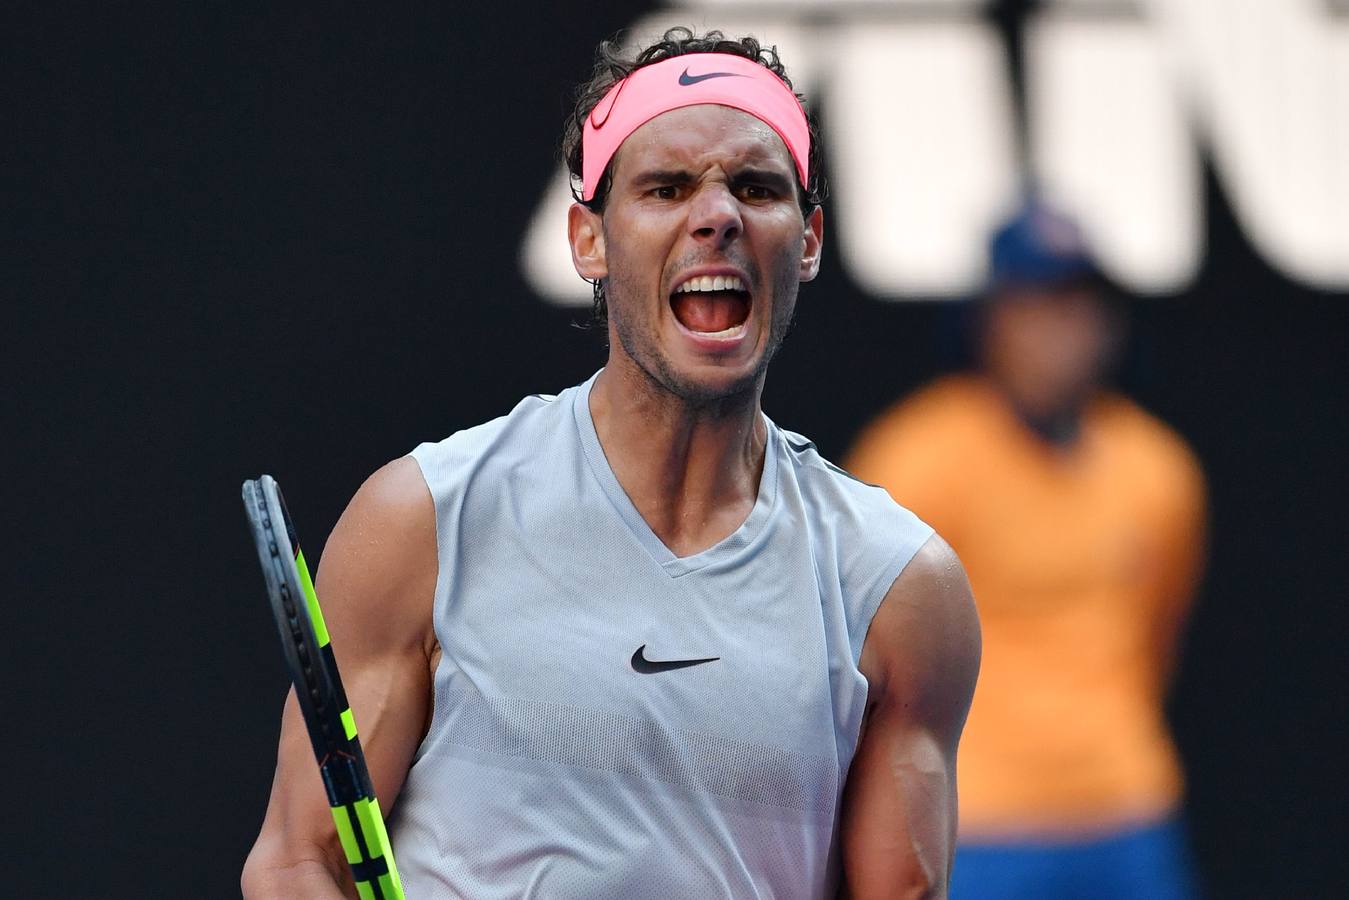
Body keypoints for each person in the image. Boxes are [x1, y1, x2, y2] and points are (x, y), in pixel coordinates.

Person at [241, 27, 980, 900]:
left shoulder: (899, 589)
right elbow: (299, 860)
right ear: (588, 240)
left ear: (808, 239)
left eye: (755, 187)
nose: (717, 216)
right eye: (665, 188)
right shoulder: (425, 521)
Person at [845, 200, 1207, 899]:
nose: (1060, 331)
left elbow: (1159, 634)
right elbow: (862, 657)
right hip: (978, 819)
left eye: (1077, 305)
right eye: (1036, 307)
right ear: (988, 322)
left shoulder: (1157, 470)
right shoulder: (917, 461)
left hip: (1127, 806)